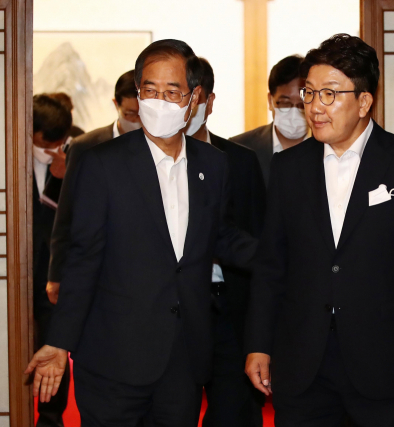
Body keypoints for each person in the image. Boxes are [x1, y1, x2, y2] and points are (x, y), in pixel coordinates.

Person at [25, 39, 257, 427]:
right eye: (150, 91)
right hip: (113, 357)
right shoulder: (102, 164)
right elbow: (83, 257)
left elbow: (221, 236)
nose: (159, 102)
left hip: (182, 357)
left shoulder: (213, 165)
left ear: (193, 98)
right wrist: (58, 340)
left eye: (172, 92)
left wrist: (282, 256)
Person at [244, 34, 394, 427]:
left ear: (364, 102)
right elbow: (271, 265)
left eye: (329, 94)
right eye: (310, 93)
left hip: (384, 362)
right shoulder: (289, 167)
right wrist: (259, 344)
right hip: (302, 361)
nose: (315, 106)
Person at [184, 58, 266, 427]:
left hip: (231, 309)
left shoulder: (240, 160)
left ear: (210, 101)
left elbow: (254, 235)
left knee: (233, 413)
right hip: (177, 311)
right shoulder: (144, 163)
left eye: (196, 98)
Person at [46, 70, 141, 304]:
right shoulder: (86, 147)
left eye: (142, 115)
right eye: (129, 114)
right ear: (116, 105)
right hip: (96, 266)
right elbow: (66, 212)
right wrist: (56, 274)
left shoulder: (161, 145)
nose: (136, 121)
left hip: (143, 265)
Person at [31, 94, 73, 427]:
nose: (50, 150)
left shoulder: (74, 156)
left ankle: (51, 418)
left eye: (57, 144)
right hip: (16, 270)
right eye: (45, 144)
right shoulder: (6, 151)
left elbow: (68, 221)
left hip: (52, 272)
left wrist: (61, 179)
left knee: (53, 343)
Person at [230, 55, 308, 184]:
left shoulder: (327, 149)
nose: (294, 113)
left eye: (302, 105)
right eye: (285, 103)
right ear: (270, 101)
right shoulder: (240, 148)